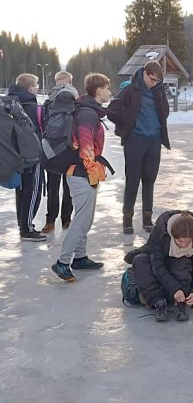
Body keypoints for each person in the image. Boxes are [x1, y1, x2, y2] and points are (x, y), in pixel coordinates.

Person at [51, 73, 112, 282]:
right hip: (81, 173)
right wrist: (92, 171)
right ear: (99, 90)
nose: (110, 92)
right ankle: (63, 262)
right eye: (108, 88)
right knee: (81, 220)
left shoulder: (89, 110)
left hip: (82, 172)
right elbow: (86, 147)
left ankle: (80, 257)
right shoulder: (88, 114)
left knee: (85, 217)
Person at [107, 60, 170, 234]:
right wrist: (128, 122)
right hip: (135, 140)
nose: (154, 83)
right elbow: (112, 110)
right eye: (152, 79)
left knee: (149, 179)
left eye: (157, 81)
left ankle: (147, 219)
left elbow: (165, 111)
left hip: (154, 140)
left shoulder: (158, 90)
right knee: (133, 180)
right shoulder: (130, 90)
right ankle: (127, 218)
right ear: (145, 74)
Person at [133, 210, 193, 322]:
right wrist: (174, 289)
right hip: (161, 273)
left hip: (182, 279)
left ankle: (180, 303)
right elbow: (158, 267)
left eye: (188, 242)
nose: (184, 245)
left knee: (182, 260)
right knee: (140, 261)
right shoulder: (159, 232)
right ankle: (158, 302)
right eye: (180, 241)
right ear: (173, 235)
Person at [8, 73, 45, 241]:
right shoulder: (31, 105)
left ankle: (23, 225)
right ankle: (27, 229)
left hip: (15, 156)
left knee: (21, 191)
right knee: (33, 191)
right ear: (30, 88)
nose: (37, 88)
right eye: (36, 85)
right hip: (32, 156)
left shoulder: (11, 104)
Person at [41, 70, 79, 233]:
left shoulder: (48, 102)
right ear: (70, 81)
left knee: (53, 187)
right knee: (69, 186)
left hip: (52, 149)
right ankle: (66, 220)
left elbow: (42, 124)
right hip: (71, 149)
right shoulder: (76, 101)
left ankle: (50, 221)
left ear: (56, 81)